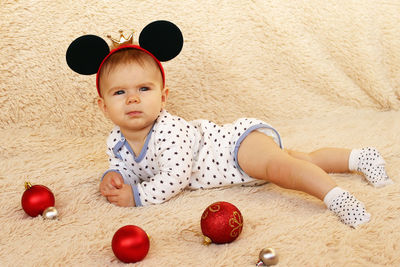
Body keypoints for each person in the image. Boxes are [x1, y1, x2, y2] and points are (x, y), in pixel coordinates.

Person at [97, 45, 393, 228]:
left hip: (233, 149)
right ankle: (359, 157)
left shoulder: (168, 130)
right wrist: (115, 176)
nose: (133, 99)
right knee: (304, 160)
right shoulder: (116, 140)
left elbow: (175, 176)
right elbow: (125, 166)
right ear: (103, 105)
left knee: (283, 169)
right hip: (235, 166)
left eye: (143, 89)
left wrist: (137, 196)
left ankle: (338, 199)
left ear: (163, 97)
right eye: (120, 92)